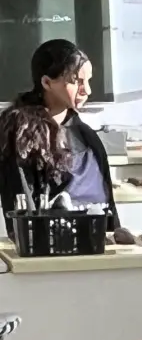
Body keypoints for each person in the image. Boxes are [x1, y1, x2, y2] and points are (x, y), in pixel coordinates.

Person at [0, 40, 120, 228]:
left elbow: (108, 205)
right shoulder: (22, 136)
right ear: (47, 82)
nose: (87, 90)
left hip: (94, 241)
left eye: (88, 81)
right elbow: (22, 208)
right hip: (48, 244)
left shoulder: (87, 137)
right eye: (76, 81)